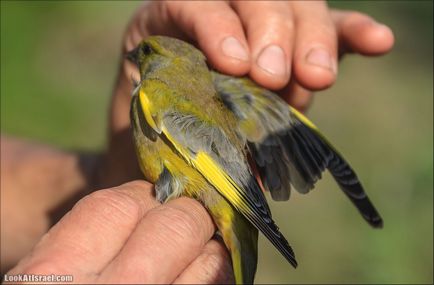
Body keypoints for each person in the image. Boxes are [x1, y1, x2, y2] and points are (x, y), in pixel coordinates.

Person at [1, 1, 394, 283]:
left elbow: (216, 163)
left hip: (225, 193)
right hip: (228, 193)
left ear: (158, 61)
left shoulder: (155, 93)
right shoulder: (222, 90)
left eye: (146, 52)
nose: (137, 54)